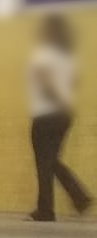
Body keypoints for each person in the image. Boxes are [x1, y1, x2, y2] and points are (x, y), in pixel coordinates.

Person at [27, 14, 92, 221]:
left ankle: (46, 210)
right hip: (64, 116)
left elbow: (45, 82)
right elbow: (74, 81)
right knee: (50, 161)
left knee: (44, 163)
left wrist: (58, 99)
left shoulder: (43, 54)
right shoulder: (68, 57)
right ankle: (79, 197)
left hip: (46, 113)